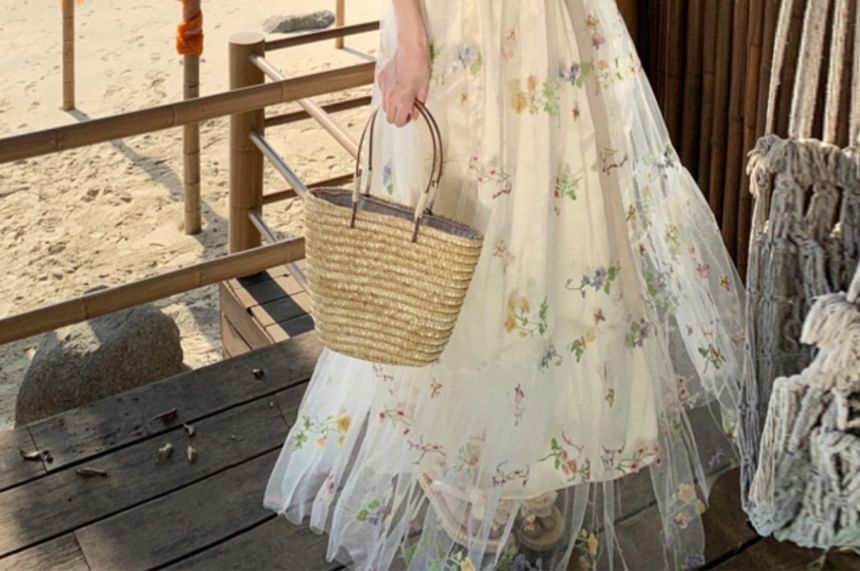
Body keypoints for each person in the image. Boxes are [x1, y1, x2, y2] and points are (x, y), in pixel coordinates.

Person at [264, 1, 747, 569]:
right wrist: (412, 43)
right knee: (462, 221)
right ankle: (460, 458)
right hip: (454, 27)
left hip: (549, 24)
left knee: (548, 232)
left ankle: (525, 450)